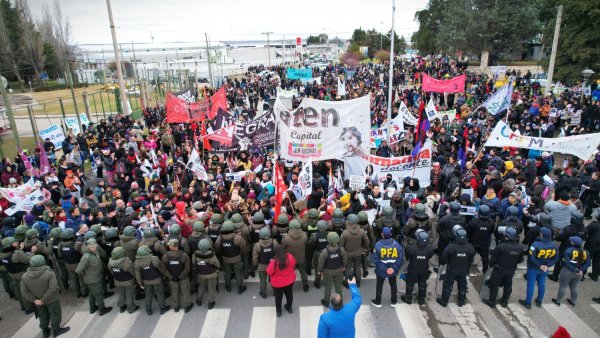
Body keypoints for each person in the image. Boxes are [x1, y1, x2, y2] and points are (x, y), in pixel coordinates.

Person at [20, 255, 70, 338]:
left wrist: (35, 300)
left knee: (42, 315)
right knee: (55, 314)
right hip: (51, 300)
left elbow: (24, 291)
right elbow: (53, 288)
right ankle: (56, 330)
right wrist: (43, 299)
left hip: (37, 302)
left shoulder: (25, 276)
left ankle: (45, 331)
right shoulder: (49, 273)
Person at [482, 227, 523, 308]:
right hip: (511, 269)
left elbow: (492, 259)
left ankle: (492, 301)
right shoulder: (520, 247)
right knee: (508, 285)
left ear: (507, 236)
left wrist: (491, 265)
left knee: (494, 285)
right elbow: (520, 260)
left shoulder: (501, 246)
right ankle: (504, 302)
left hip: (499, 269)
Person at [519, 227, 559, 309]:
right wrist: (547, 266)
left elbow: (531, 258)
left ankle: (528, 303)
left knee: (531, 285)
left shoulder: (535, 245)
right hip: (544, 269)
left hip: (533, 268)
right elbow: (555, 258)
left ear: (542, 235)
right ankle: (539, 301)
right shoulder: (554, 245)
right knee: (542, 285)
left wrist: (540, 266)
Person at [437, 225, 475, 307]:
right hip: (463, 270)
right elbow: (471, 260)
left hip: (452, 270)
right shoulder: (470, 248)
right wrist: (467, 268)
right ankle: (461, 301)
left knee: (447, 285)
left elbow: (443, 258)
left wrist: (443, 264)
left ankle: (444, 301)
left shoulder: (451, 247)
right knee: (462, 285)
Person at [75, 239, 112, 316]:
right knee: (99, 294)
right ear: (88, 247)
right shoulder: (86, 257)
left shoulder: (94, 252)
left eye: (94, 246)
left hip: (95, 278)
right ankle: (102, 309)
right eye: (91, 247)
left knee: (92, 293)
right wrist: (87, 274)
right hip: (93, 280)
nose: (93, 248)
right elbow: (78, 270)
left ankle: (92, 308)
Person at [552, 236, 590, 306]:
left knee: (563, 286)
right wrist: (580, 270)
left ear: (573, 243)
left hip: (567, 272)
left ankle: (558, 301)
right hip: (579, 273)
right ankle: (573, 302)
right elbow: (587, 263)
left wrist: (574, 269)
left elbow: (566, 262)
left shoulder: (569, 250)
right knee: (574, 287)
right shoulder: (586, 252)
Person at [134, 245, 171, 315]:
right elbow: (161, 269)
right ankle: (162, 308)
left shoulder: (137, 262)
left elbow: (137, 275)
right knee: (160, 294)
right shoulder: (154, 259)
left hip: (146, 281)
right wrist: (165, 276)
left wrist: (140, 284)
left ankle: (148, 309)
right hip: (157, 280)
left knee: (148, 295)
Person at [371, 227, 403, 307]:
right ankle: (394, 301)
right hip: (393, 270)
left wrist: (385, 269)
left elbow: (376, 260)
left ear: (382, 234)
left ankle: (378, 302)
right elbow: (400, 258)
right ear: (390, 234)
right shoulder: (396, 244)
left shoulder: (377, 245)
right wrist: (393, 268)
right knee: (393, 285)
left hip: (381, 270)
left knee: (379, 286)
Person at [402, 229, 434, 305]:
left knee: (410, 283)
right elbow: (429, 256)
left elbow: (407, 257)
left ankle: (408, 298)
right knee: (422, 283)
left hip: (413, 268)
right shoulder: (430, 248)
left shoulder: (411, 248)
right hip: (424, 268)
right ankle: (421, 299)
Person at [214, 221, 247, 294]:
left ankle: (228, 286)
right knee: (238, 273)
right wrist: (241, 254)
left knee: (227, 273)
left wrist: (221, 255)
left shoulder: (220, 238)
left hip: (225, 258)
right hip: (237, 258)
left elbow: (217, 249)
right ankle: (239, 288)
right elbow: (244, 248)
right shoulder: (237, 237)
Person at [162, 239, 193, 313]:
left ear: (171, 247)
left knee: (174, 292)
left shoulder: (165, 256)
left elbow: (163, 268)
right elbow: (187, 268)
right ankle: (187, 306)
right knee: (185, 291)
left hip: (172, 279)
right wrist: (180, 277)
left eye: (169, 245)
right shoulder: (184, 255)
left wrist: (170, 277)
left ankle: (176, 307)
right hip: (183, 278)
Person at [317, 232, 347, 308]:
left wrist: (319, 271)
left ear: (328, 240)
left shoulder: (324, 252)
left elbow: (321, 263)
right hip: (339, 270)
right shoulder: (341, 250)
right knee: (338, 287)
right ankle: (340, 301)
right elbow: (344, 260)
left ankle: (326, 301)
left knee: (328, 287)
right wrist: (343, 266)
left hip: (328, 272)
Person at [340, 214, 370, 287]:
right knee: (357, 267)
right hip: (358, 252)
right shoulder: (361, 231)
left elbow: (341, 245)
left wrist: (342, 253)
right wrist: (364, 248)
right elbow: (367, 242)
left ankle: (347, 282)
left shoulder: (345, 233)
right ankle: (358, 281)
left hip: (348, 253)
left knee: (348, 267)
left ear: (349, 222)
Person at [266, 244, 296, 317]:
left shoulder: (274, 261)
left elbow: (269, 272)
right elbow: (293, 265)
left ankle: (278, 311)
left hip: (278, 284)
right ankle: (289, 307)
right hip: (289, 281)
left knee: (278, 297)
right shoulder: (290, 257)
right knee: (289, 295)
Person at [107, 246, 138, 314]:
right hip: (128, 281)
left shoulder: (110, 262)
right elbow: (132, 271)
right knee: (129, 294)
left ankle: (122, 306)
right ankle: (131, 308)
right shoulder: (126, 261)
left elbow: (111, 271)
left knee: (122, 294)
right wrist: (136, 278)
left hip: (118, 281)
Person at [282, 219, 309, 292]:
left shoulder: (286, 238)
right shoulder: (304, 236)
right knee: (303, 271)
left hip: (290, 260)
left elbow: (283, 248)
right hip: (301, 258)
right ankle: (305, 285)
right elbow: (306, 244)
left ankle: (289, 286)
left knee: (289, 273)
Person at [193, 239, 220, 310]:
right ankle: (211, 303)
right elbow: (218, 265)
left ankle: (199, 300)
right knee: (211, 289)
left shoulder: (195, 255)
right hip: (211, 274)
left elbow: (194, 263)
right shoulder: (211, 255)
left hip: (201, 274)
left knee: (201, 287)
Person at [253, 227, 275, 298]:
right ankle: (275, 291)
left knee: (263, 280)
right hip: (272, 265)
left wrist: (255, 264)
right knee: (273, 278)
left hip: (262, 266)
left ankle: (263, 292)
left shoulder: (257, 245)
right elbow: (277, 254)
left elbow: (255, 256)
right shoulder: (274, 242)